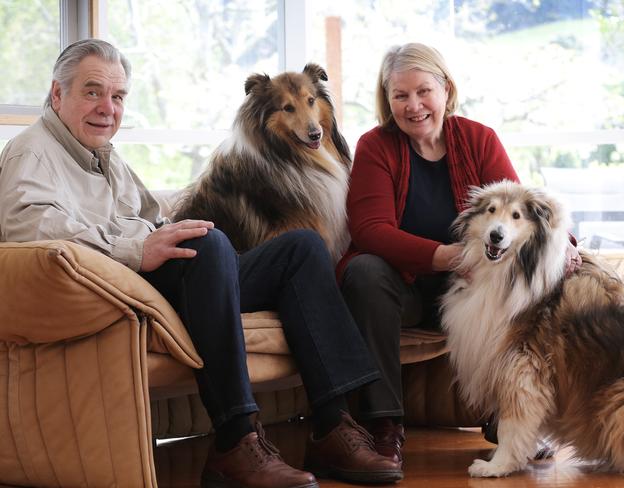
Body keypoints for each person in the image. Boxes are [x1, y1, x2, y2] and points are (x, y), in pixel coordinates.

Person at [0, 39, 403, 488]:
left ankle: (333, 425)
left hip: (164, 282)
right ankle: (235, 439)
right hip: (125, 288)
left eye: (117, 97)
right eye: (92, 92)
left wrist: (162, 236)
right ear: (57, 94)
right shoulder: (32, 152)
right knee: (208, 243)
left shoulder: (106, 159)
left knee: (302, 248)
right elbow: (28, 229)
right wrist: (139, 248)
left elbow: (154, 220)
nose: (107, 108)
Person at [336, 42, 582, 465]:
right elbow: (370, 230)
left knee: (529, 282)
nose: (414, 106)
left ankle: (510, 417)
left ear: (446, 89)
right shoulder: (376, 146)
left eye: (423, 91)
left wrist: (566, 248)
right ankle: (384, 425)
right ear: (387, 99)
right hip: (406, 291)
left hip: (473, 287)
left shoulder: (477, 138)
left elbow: (518, 210)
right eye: (400, 95)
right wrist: (447, 257)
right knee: (364, 271)